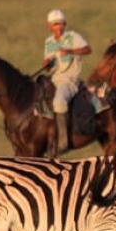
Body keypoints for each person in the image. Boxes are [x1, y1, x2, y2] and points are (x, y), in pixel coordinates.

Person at [42, 9, 92, 155]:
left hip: (69, 79)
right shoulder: (48, 42)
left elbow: (87, 49)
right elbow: (49, 67)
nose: (59, 27)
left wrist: (70, 51)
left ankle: (63, 142)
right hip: (54, 79)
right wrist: (46, 64)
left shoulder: (73, 37)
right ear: (50, 27)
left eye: (61, 24)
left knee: (59, 101)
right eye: (55, 25)